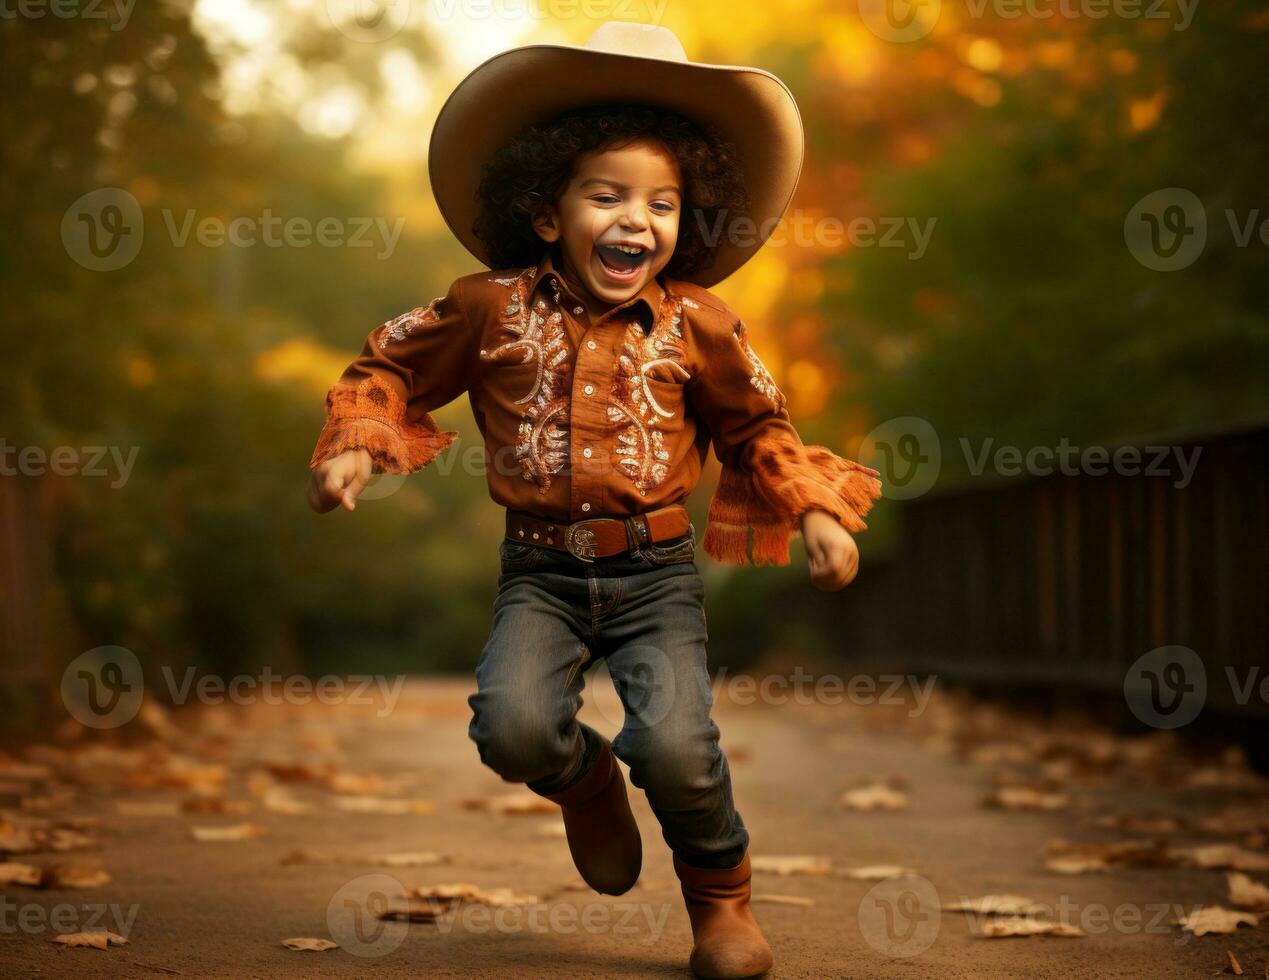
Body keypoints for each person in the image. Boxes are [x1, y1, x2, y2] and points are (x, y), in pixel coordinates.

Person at [306, 21, 881, 979]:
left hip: (657, 574)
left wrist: (816, 510)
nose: (634, 220)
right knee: (513, 727)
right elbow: (388, 366)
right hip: (540, 568)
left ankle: (722, 905)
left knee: (678, 748)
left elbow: (757, 426)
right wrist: (358, 446)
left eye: (660, 203)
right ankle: (585, 784)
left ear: (682, 221)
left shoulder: (702, 321)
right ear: (548, 212)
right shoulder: (486, 305)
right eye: (605, 196)